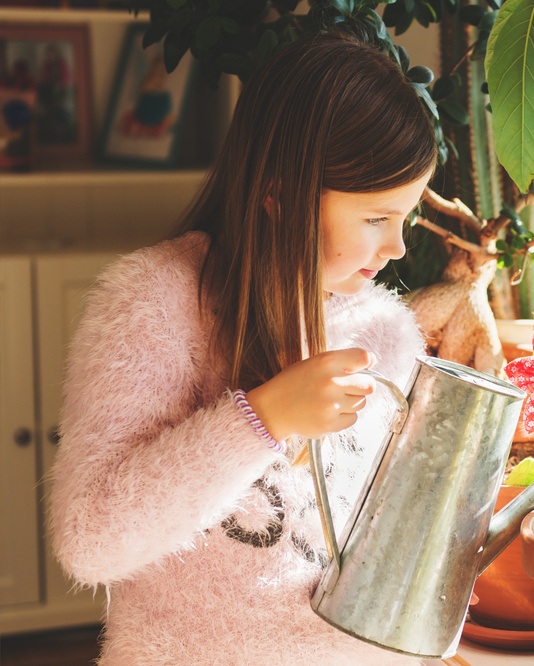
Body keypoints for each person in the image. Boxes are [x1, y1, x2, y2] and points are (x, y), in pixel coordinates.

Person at [48, 32, 437, 665]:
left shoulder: (384, 333)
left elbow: (382, 535)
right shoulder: (155, 306)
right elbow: (90, 540)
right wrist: (261, 421)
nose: (398, 248)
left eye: (405, 217)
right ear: (279, 195)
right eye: (375, 218)